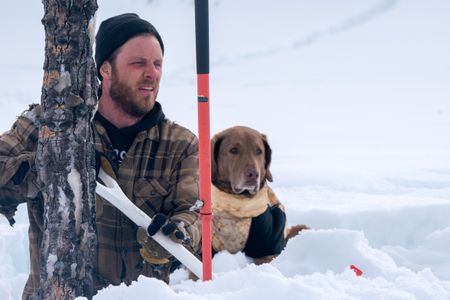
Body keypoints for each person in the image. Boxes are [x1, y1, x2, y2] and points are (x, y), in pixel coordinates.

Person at [0, 13, 201, 299]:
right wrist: (50, 167)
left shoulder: (179, 145)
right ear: (105, 69)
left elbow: (194, 212)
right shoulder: (48, 125)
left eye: (157, 64)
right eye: (138, 63)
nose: (152, 73)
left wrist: (178, 232)